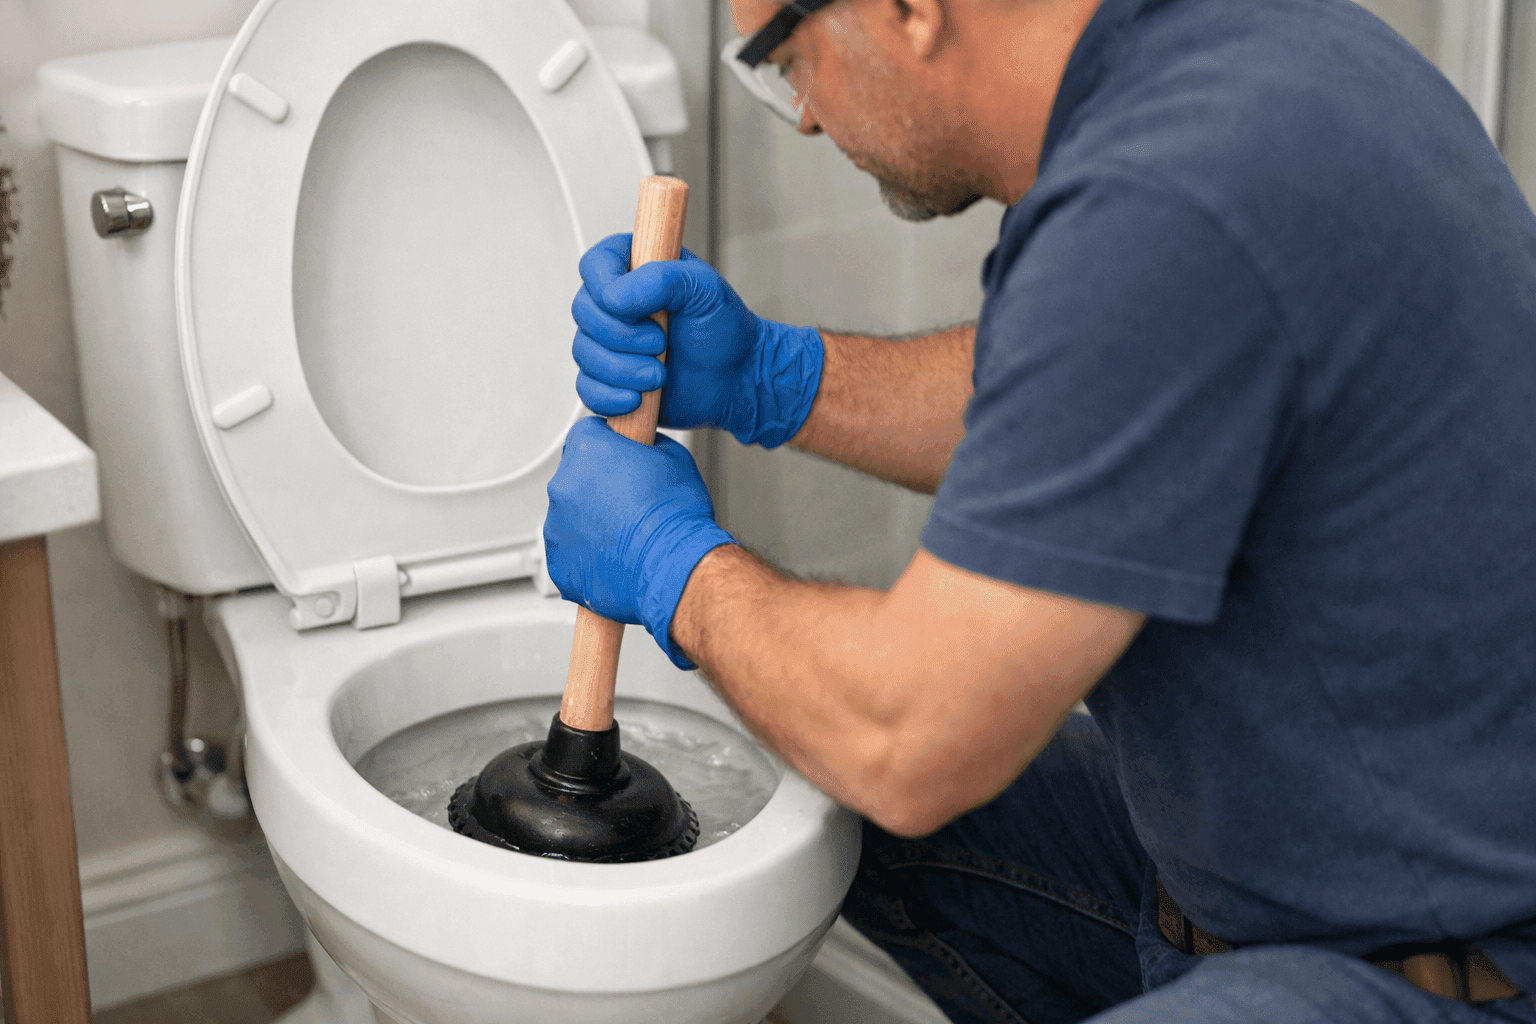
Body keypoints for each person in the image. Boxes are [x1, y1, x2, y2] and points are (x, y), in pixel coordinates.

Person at [541, 0, 1536, 1019]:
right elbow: (1087, 390)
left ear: (909, 9)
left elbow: (909, 738)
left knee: (851, 733)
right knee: (782, 759)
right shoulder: (1226, 58)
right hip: (1271, 884)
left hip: (1454, 973)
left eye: (788, 58)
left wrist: (675, 567)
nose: (799, 115)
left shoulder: (1172, 192)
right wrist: (774, 376)